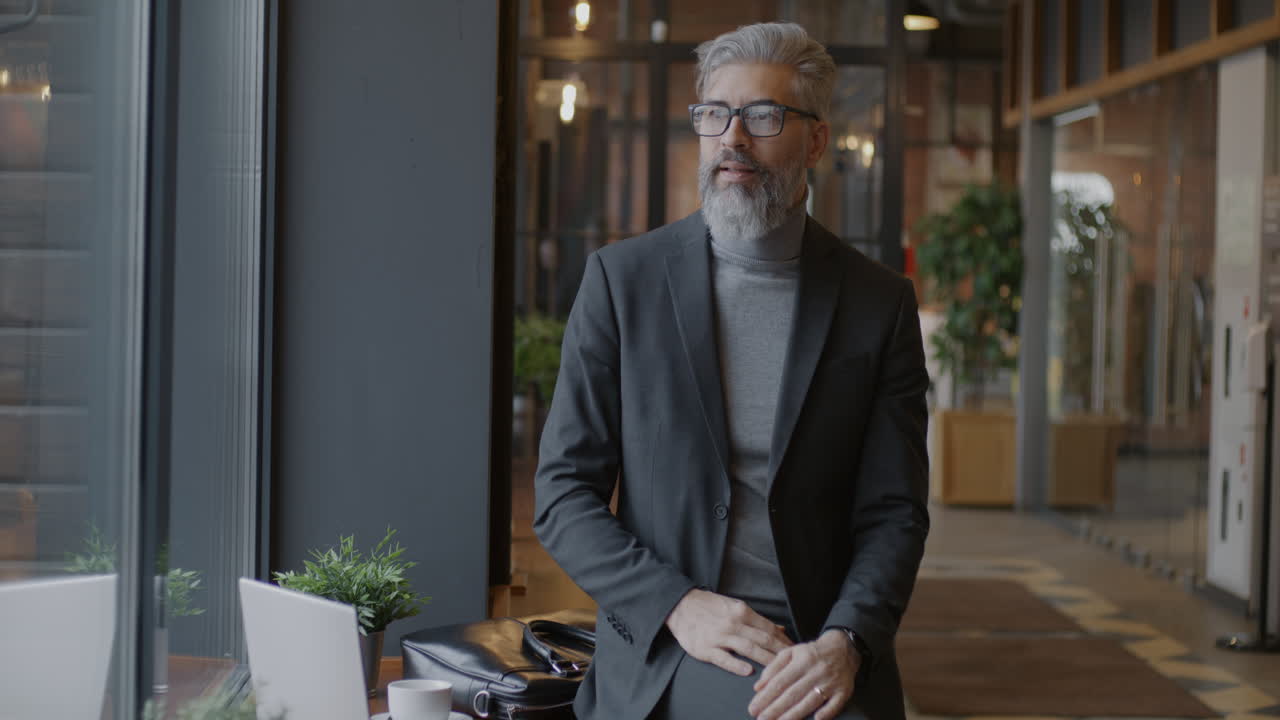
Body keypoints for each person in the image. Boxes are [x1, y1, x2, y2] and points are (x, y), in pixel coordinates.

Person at [534, 22, 930, 720]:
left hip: (818, 647)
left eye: (762, 115)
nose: (732, 138)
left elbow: (893, 513)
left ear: (814, 140)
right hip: (675, 642)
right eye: (715, 114)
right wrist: (679, 605)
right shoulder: (622, 284)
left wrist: (846, 639)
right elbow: (564, 494)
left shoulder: (880, 303)